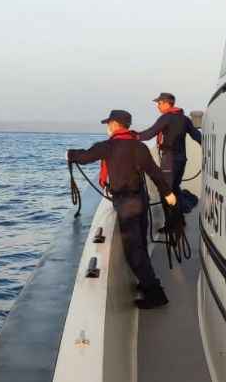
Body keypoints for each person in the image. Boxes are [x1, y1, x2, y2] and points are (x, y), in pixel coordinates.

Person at [67, 110, 177, 309]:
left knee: (133, 250)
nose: (107, 127)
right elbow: (155, 173)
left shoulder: (108, 146)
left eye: (109, 123)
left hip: (126, 203)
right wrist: (168, 193)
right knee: (140, 244)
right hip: (141, 199)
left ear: (115, 124)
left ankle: (155, 293)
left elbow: (85, 156)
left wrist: (70, 154)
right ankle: (147, 281)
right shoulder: (139, 147)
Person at [135, 93, 202, 226]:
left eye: (159, 103)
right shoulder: (185, 119)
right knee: (175, 189)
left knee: (165, 191)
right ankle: (179, 220)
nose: (158, 106)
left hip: (169, 160)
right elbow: (197, 136)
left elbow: (149, 134)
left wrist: (131, 136)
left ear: (167, 103)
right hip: (182, 160)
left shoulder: (166, 117)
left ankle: (171, 225)